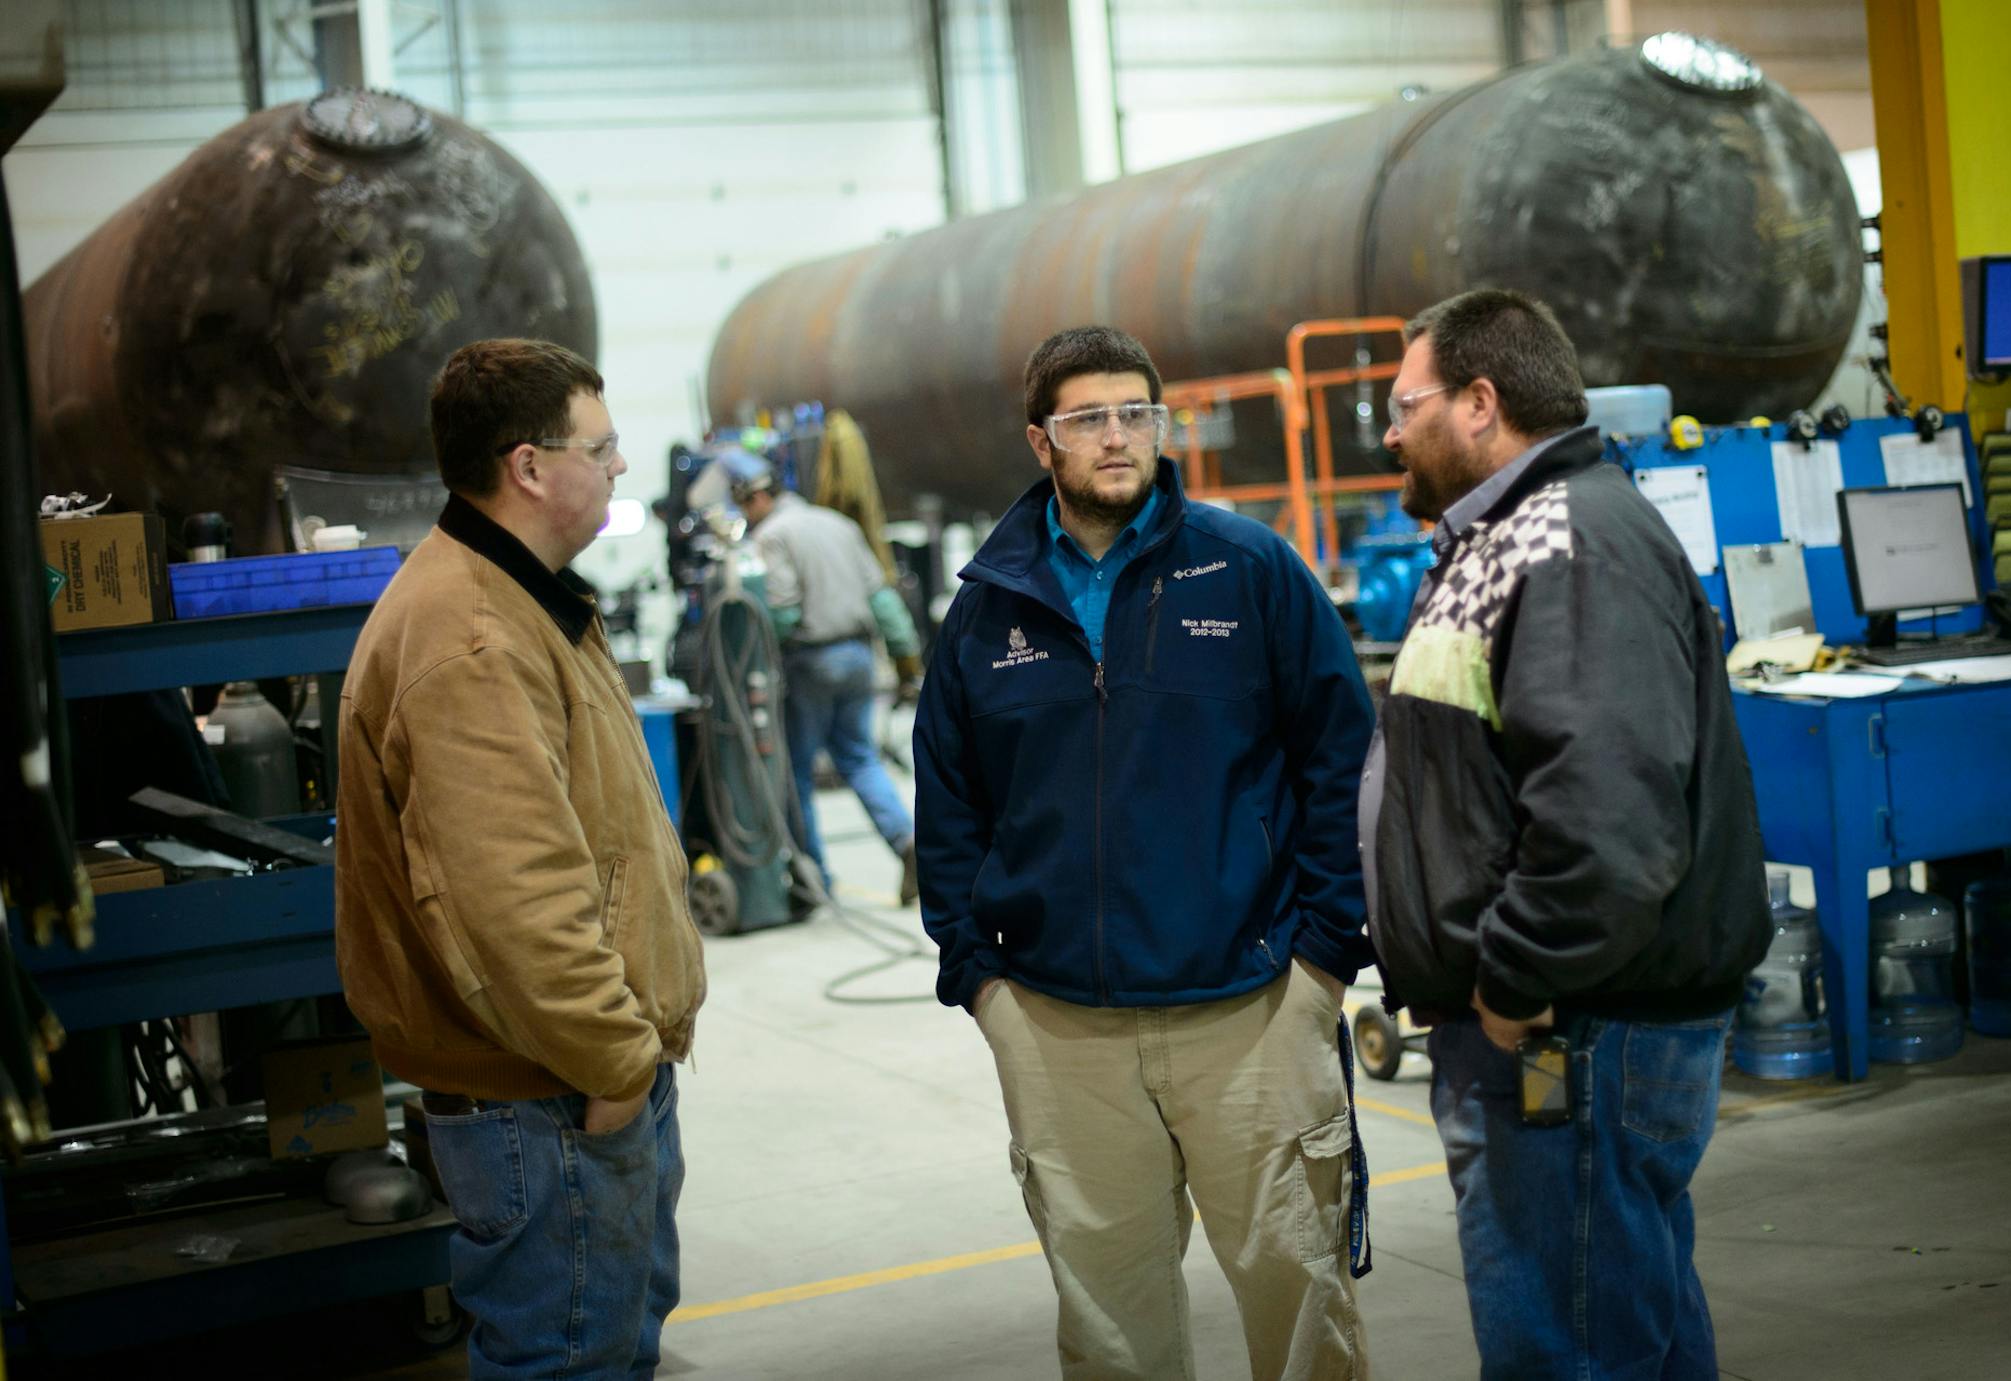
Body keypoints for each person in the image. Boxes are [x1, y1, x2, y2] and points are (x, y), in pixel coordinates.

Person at [913, 325, 1377, 1380]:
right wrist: (979, 978)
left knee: (1302, 1301)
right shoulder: (987, 613)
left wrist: (1322, 961)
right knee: (1111, 1327)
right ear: (1043, 442)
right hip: (1058, 1024)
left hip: (1252, 1009)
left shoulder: (1249, 568)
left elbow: (1342, 763)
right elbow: (946, 807)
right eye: (1089, 419)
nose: (1118, 437)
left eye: (1137, 414)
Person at [1360, 289, 1772, 1379]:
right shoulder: (1506, 534)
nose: (1390, 432)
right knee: (1631, 1319)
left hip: (1566, 1034)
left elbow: (1606, 812)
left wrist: (1515, 978)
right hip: (1567, 1024)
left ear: (1481, 402)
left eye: (1405, 406)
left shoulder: (1569, 536)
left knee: (1568, 1344)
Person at [335, 338, 706, 1379]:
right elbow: (514, 900)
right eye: (605, 445)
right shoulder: (473, 639)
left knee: (609, 1344)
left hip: (565, 1084)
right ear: (531, 466)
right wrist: (617, 1064)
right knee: (570, 1357)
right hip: (549, 1096)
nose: (623, 465)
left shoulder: (518, 593)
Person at [731, 461, 922, 903]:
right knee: (860, 758)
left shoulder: (772, 537)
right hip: (858, 658)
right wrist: (906, 659)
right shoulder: (838, 525)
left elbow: (781, 612)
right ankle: (906, 842)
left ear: (759, 498)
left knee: (796, 771)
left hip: (810, 662)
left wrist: (752, 658)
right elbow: (882, 599)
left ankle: (815, 879)